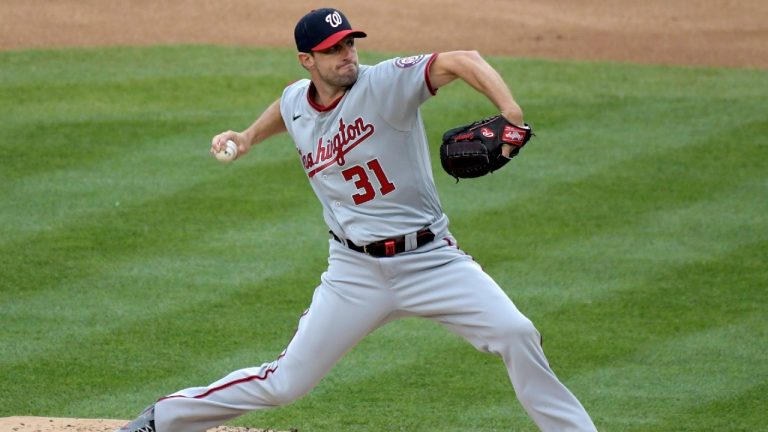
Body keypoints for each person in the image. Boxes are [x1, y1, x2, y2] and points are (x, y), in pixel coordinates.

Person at [118, 7, 597, 432]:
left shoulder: (386, 82)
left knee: (516, 333)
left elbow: (462, 58)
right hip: (354, 274)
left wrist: (509, 111)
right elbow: (289, 108)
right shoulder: (296, 100)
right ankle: (164, 420)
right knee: (285, 384)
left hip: (431, 260)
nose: (346, 54)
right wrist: (246, 137)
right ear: (308, 60)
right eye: (332, 49)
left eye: (349, 43)